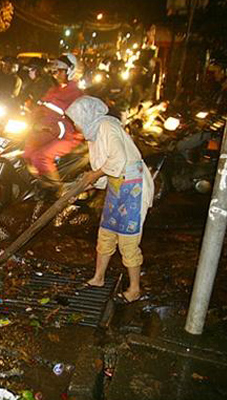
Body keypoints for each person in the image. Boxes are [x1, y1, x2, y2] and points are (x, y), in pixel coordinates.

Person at [65, 96, 154, 303]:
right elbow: (103, 169)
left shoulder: (106, 126)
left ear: (86, 117)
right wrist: (87, 185)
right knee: (105, 235)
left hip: (133, 188)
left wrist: (94, 176)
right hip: (116, 189)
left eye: (76, 120)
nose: (75, 125)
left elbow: (118, 159)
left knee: (128, 242)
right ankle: (98, 278)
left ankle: (134, 289)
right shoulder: (93, 135)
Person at [24, 53, 83, 188]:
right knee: (27, 149)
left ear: (70, 71)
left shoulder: (75, 93)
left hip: (67, 135)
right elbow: (41, 106)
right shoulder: (54, 89)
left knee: (40, 157)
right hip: (49, 130)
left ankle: (58, 191)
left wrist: (50, 127)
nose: (55, 74)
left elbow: (71, 121)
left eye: (59, 71)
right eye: (54, 71)